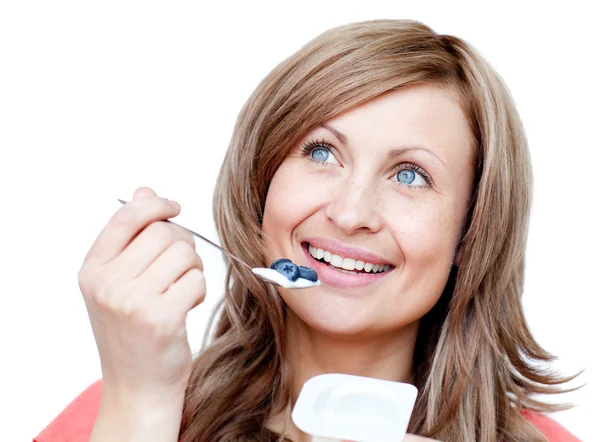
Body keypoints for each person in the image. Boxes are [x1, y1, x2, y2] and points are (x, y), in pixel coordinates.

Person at [34, 19, 582, 442]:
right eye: (321, 152)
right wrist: (141, 407)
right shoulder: (116, 412)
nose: (350, 213)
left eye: (410, 175)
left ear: (471, 231)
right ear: (262, 181)